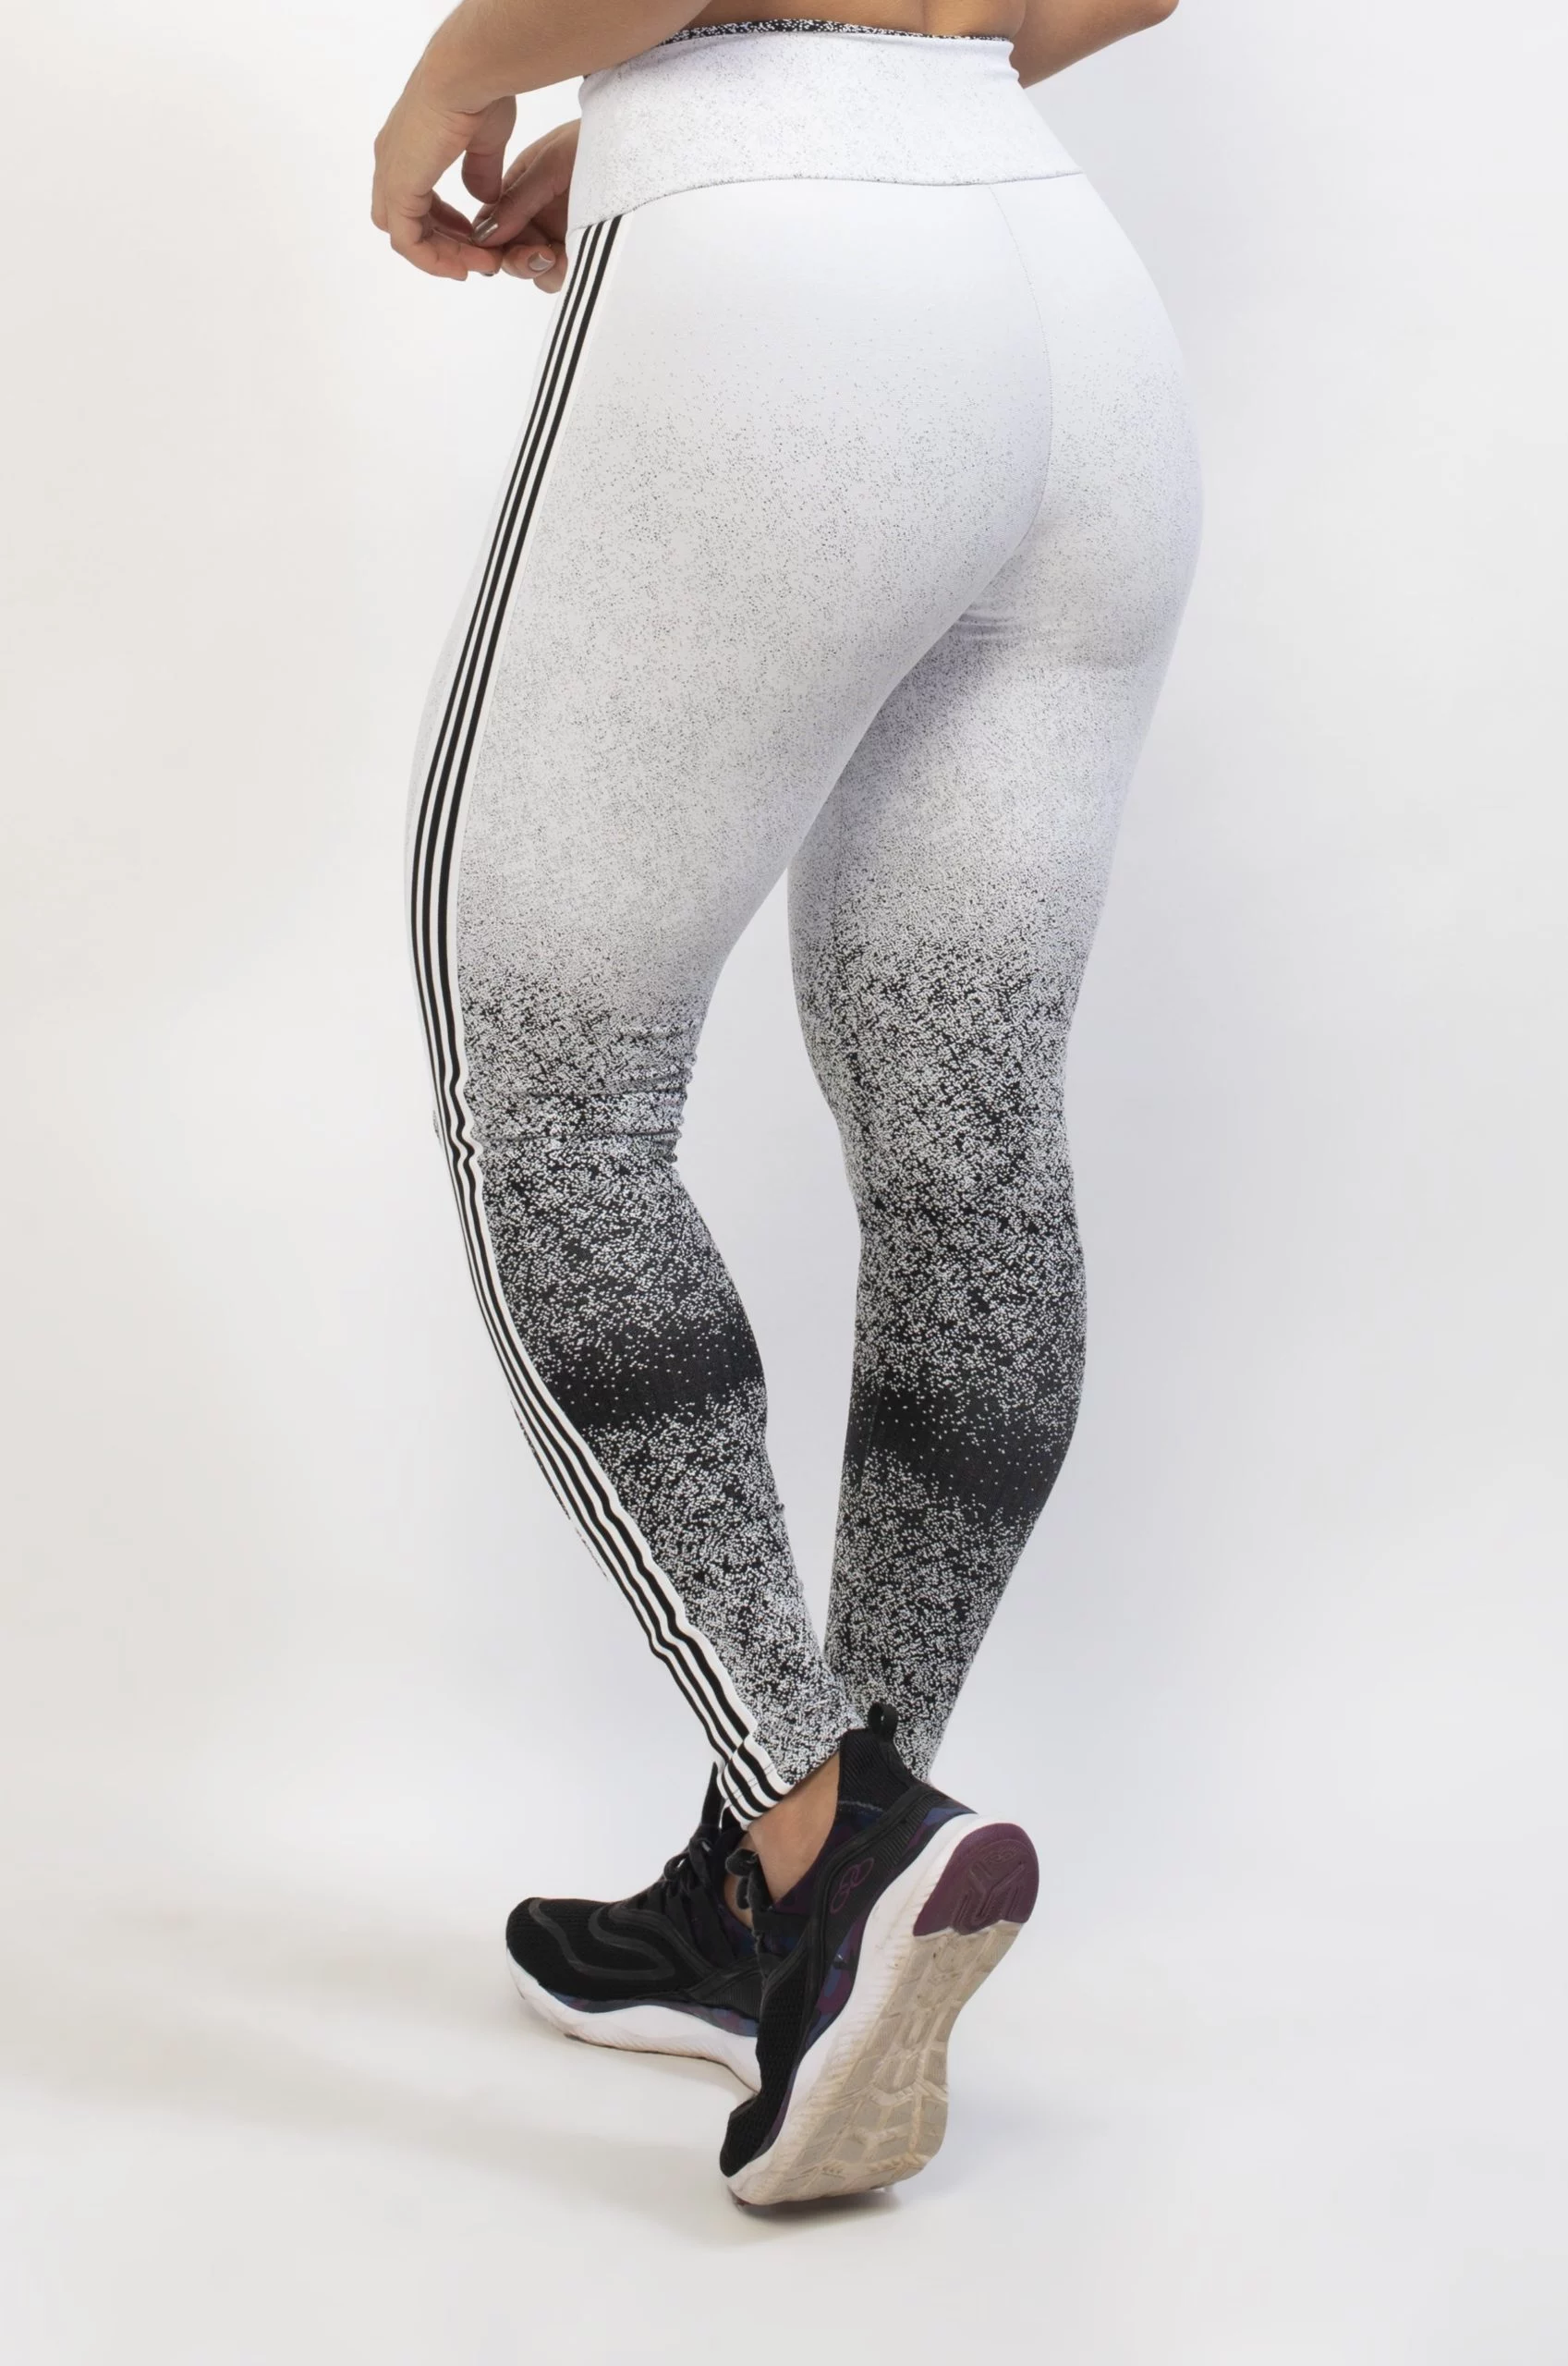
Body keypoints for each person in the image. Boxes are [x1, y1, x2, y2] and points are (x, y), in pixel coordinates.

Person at [371, 0, 1199, 2205]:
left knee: (545, 1081)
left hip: (790, 292)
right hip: (1071, 315)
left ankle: (823, 1846)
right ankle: (798, 1883)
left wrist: (460, 83)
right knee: (965, 1130)